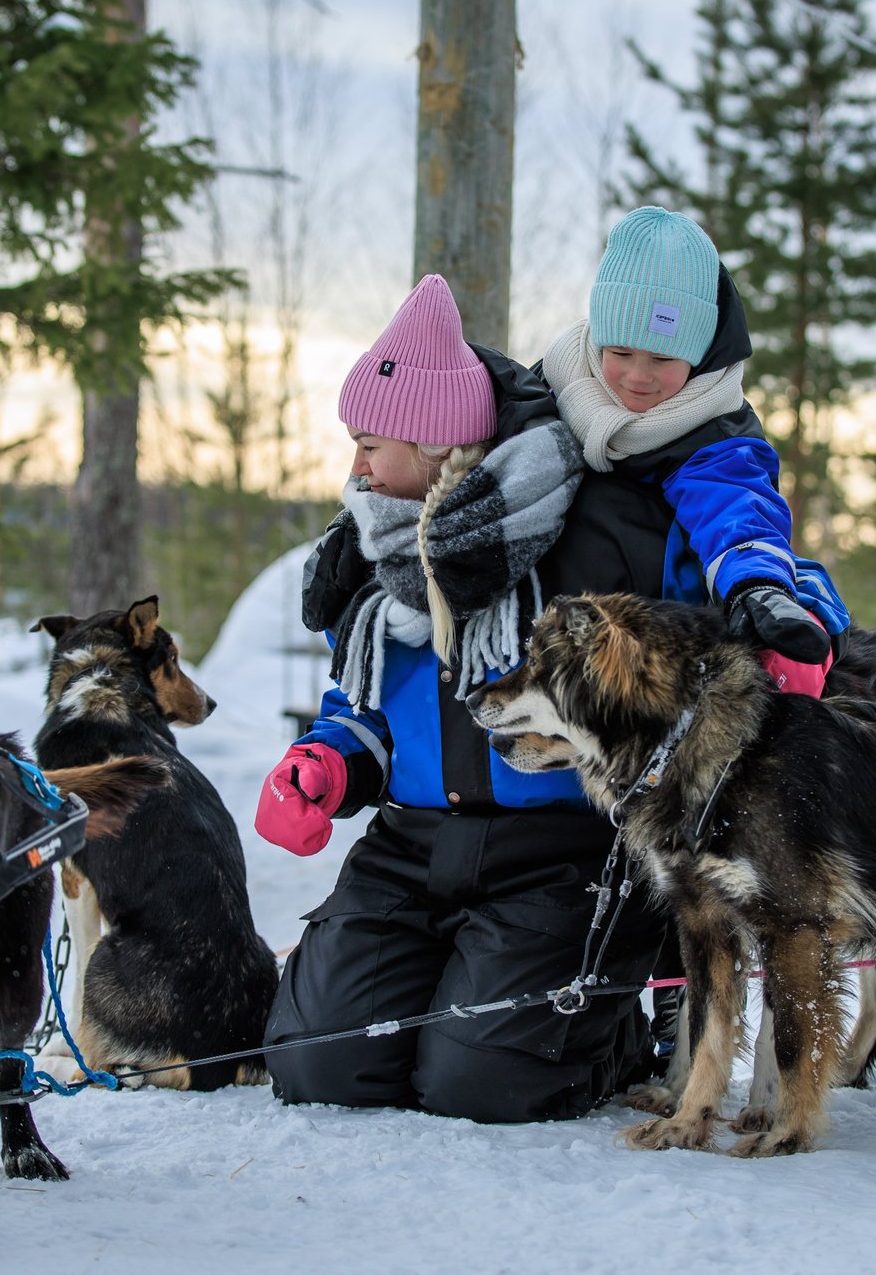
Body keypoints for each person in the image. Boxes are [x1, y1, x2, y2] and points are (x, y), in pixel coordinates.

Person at [250, 273, 668, 1124]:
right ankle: (444, 994)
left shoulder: (572, 539)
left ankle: (616, 1030)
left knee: (479, 1082)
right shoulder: (370, 553)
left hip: (555, 852)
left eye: (371, 443)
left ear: (437, 445)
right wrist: (325, 764)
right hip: (412, 846)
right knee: (319, 1060)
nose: (355, 465)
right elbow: (360, 706)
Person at [539, 205, 849, 696]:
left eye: (662, 358)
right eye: (620, 353)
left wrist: (755, 586)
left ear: (698, 354)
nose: (638, 377)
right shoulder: (553, 387)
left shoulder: (714, 426)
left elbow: (735, 506)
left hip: (656, 648)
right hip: (552, 637)